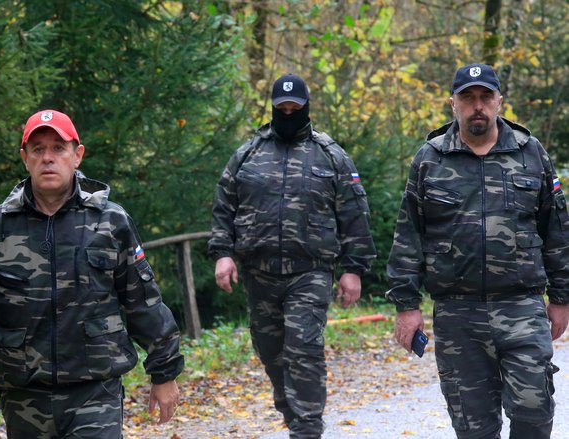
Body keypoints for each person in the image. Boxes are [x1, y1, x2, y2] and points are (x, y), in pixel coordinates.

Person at [0, 109, 185, 438]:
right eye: (38, 149)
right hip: (23, 396)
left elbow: (143, 301)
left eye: (58, 148)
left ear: (77, 155)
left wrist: (164, 372)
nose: (47, 158)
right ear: (25, 158)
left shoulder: (110, 221)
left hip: (95, 392)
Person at [386, 63, 569, 439]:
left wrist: (562, 296)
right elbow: (409, 235)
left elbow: (557, 230)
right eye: (467, 98)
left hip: (521, 307)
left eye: (486, 96)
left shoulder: (530, 153)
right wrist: (406, 306)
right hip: (458, 315)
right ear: (452, 104)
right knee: (473, 427)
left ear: (499, 101)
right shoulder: (430, 159)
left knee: (535, 413)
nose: (478, 106)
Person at [208, 74, 376, 438]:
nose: (287, 114)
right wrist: (223, 254)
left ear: (306, 108)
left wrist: (353, 269)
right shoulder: (248, 154)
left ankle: (307, 429)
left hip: (310, 272)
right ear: (272, 108)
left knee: (303, 349)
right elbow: (224, 205)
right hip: (259, 273)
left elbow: (354, 214)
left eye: (294, 109)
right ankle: (294, 416)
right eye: (281, 109)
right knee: (272, 354)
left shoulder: (330, 155)